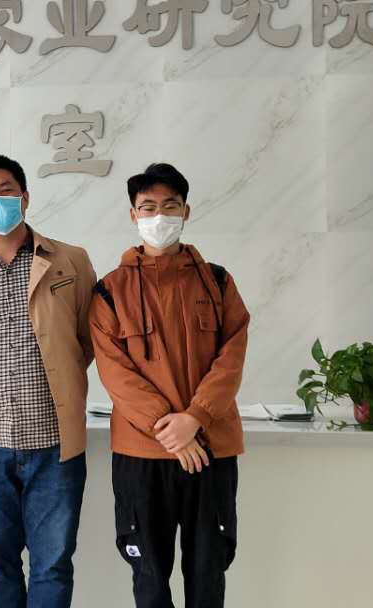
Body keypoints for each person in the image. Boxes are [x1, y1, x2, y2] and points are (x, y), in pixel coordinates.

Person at [88, 163, 250, 608]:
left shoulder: (217, 281)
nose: (159, 216)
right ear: (133, 215)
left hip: (210, 449)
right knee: (149, 578)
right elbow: (115, 373)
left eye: (170, 206)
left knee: (208, 573)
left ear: (186, 211)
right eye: (148, 207)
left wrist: (195, 418)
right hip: (142, 454)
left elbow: (232, 356)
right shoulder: (109, 291)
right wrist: (170, 427)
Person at [0, 155, 96, 607]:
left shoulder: (70, 260)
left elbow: (87, 339)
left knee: (53, 564)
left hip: (54, 443)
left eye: (6, 190)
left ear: (25, 197)